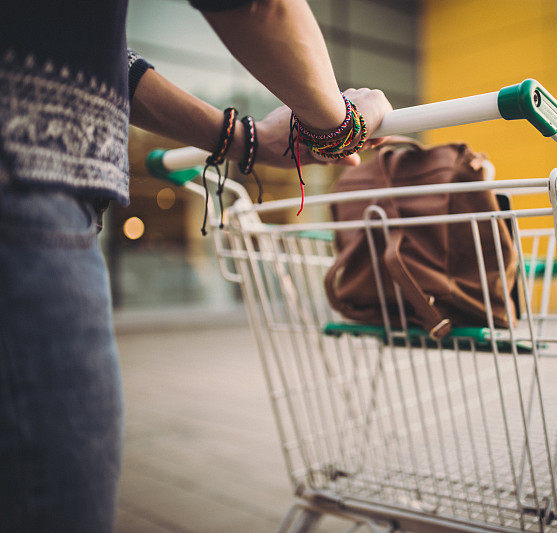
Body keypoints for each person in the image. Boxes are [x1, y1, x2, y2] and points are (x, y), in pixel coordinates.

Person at [0, 1, 392, 531]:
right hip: (22, 194)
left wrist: (243, 139)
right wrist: (340, 124)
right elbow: (259, 8)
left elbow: (104, 61)